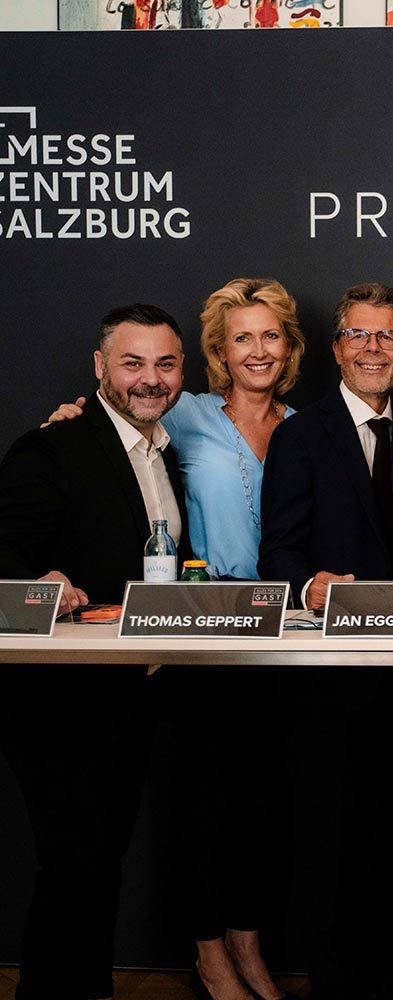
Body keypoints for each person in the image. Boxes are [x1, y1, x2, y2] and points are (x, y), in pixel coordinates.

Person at [44, 278, 304, 1000]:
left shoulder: (305, 425)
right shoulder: (182, 415)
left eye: (271, 336)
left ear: (290, 346)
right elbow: (109, 444)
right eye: (241, 337)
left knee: (264, 806)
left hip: (284, 641)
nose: (257, 351)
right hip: (198, 636)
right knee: (204, 804)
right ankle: (210, 958)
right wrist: (69, 422)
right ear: (219, 351)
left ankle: (250, 951)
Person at [0, 305, 190, 1000]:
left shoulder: (165, 451)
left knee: (99, 864)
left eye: (165, 364)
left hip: (132, 693)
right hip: (57, 699)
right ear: (100, 367)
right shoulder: (52, 448)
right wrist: (34, 583)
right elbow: (7, 552)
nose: (150, 379)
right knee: (75, 865)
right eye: (133, 363)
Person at [258, 283, 393, 1000]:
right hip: (328, 681)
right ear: (335, 349)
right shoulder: (302, 435)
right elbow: (279, 555)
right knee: (327, 847)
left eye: (385, 336)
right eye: (358, 335)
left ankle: (380, 982)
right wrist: (311, 585)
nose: (372, 349)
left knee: (392, 843)